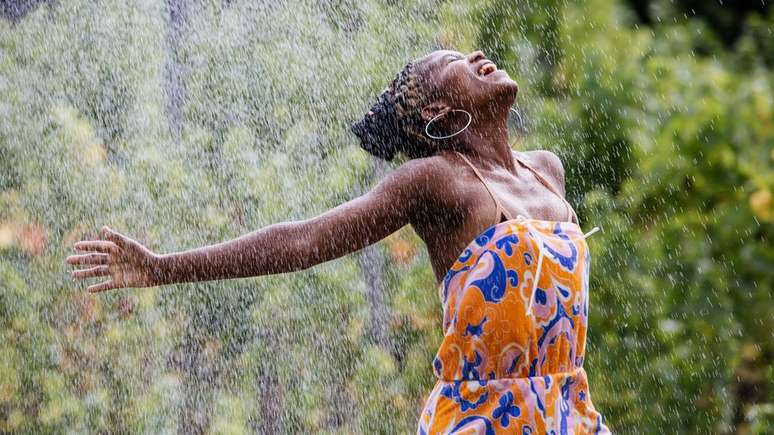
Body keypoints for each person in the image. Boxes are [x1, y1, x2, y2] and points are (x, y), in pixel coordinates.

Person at [66, 50, 611, 434]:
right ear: (436, 113)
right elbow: (305, 241)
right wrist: (162, 268)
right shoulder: (438, 181)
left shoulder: (547, 172)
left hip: (570, 413)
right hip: (481, 420)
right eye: (453, 64)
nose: (475, 56)